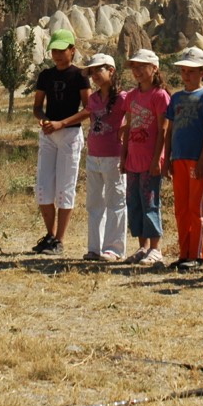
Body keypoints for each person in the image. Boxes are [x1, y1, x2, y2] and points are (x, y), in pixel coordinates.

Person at [31, 29, 91, 256]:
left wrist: (62, 124)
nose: (56, 54)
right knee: (44, 188)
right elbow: (37, 106)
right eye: (54, 50)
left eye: (61, 50)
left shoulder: (79, 76)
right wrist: (44, 120)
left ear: (72, 50)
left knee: (65, 188)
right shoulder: (45, 75)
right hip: (48, 134)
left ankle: (60, 240)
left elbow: (88, 109)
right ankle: (50, 235)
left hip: (69, 135)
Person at [164, 47, 203, 272]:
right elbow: (169, 130)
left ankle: (198, 255)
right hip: (179, 159)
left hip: (196, 160)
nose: (186, 75)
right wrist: (167, 158)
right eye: (184, 70)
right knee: (181, 208)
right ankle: (184, 252)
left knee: (197, 208)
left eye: (192, 71)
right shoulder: (175, 98)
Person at [121, 49, 170, 265]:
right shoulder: (131, 96)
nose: (137, 71)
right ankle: (142, 247)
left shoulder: (160, 96)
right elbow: (129, 127)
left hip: (150, 160)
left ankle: (155, 249)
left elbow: (163, 131)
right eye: (134, 67)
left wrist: (157, 159)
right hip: (133, 160)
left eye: (142, 66)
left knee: (150, 202)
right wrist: (124, 157)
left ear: (154, 68)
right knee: (134, 203)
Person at [82, 53, 128, 261]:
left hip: (114, 156)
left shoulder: (123, 98)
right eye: (92, 72)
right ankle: (95, 247)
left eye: (99, 70)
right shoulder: (94, 98)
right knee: (94, 203)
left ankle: (114, 249)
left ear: (111, 70)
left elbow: (135, 116)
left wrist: (125, 130)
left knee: (116, 201)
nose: (95, 75)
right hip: (94, 155)